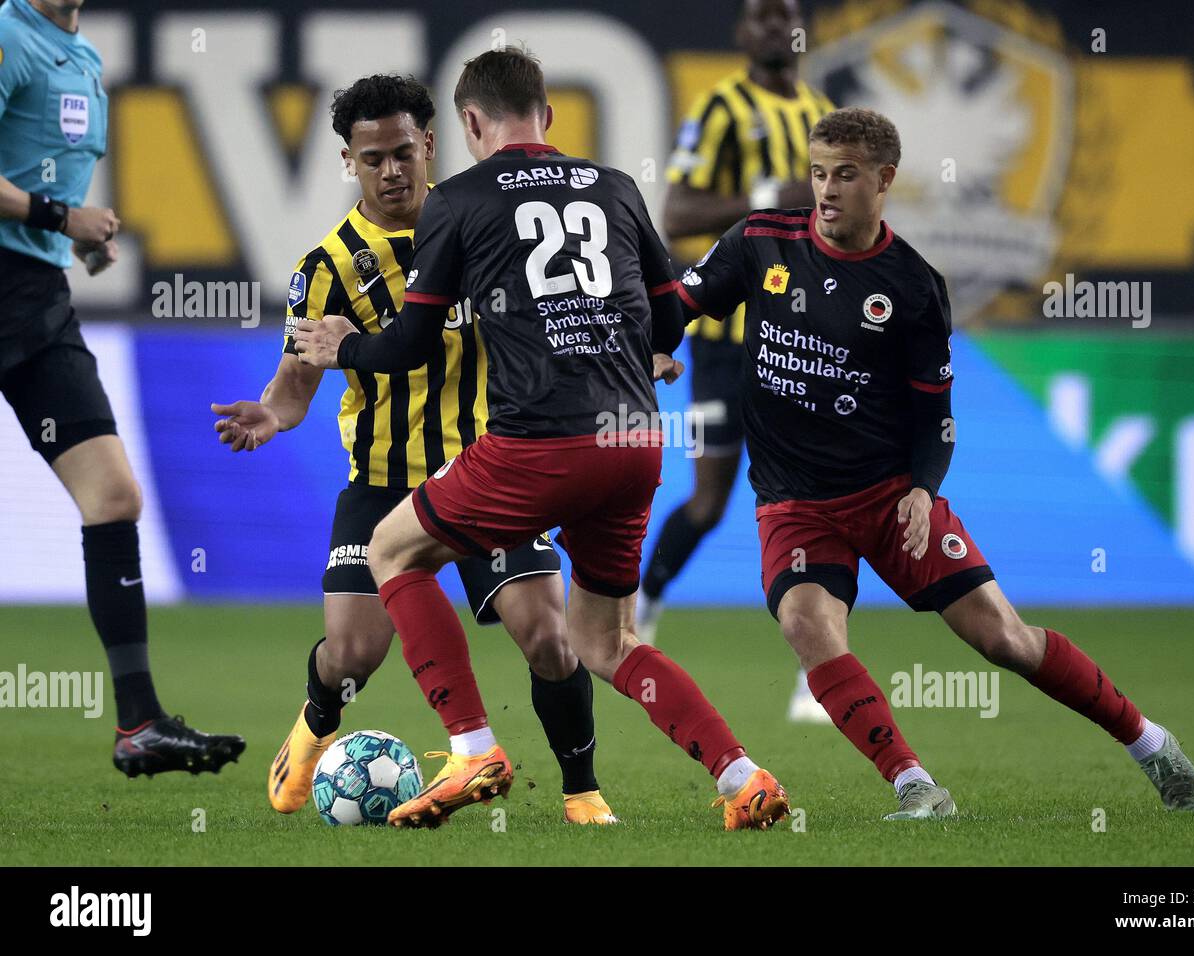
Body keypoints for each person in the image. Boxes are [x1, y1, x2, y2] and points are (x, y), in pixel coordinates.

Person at [294, 47, 789, 831]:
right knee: (610, 640)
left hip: (536, 446)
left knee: (393, 550)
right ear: (549, 117)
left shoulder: (456, 200)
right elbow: (667, 321)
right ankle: (741, 776)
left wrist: (340, 348)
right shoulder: (616, 187)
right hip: (632, 442)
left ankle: (472, 746)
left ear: (467, 124)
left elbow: (410, 346)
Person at [674, 107, 1194, 818]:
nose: (826, 190)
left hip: (890, 496)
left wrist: (925, 491)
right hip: (795, 502)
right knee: (808, 625)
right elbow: (680, 300)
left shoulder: (912, 287)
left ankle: (1150, 742)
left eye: (845, 175)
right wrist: (656, 340)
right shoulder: (760, 242)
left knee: (1005, 640)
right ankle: (915, 785)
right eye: (817, 173)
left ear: (884, 180)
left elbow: (937, 419)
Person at [211, 74, 616, 825]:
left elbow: (558, 318)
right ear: (347, 162)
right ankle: (313, 727)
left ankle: (581, 792)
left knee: (549, 638)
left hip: (489, 473)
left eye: (403, 152)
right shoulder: (325, 267)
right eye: (373, 159)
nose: (391, 171)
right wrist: (270, 415)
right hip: (381, 484)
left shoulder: (485, 227)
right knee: (352, 655)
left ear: (430, 144)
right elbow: (295, 386)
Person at [0, 0, 243, 776]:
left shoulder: (83, 58)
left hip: (34, 299)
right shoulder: (8, 32)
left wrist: (77, 237)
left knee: (112, 497)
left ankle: (139, 723)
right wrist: (58, 213)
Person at [646, 0, 835, 723]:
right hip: (727, 342)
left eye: (785, 13)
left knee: (809, 501)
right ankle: (645, 601)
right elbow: (678, 212)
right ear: (741, 32)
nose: (772, 25)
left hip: (803, 339)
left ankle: (816, 674)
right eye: (759, 14)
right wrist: (769, 197)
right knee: (709, 499)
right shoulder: (723, 106)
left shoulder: (820, 111)